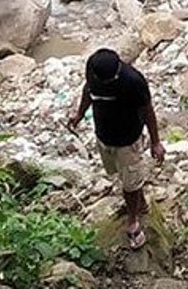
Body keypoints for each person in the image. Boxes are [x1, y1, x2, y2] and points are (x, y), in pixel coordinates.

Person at [68, 48, 165, 249]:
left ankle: (133, 221)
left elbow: (148, 111)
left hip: (128, 140)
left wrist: (156, 142)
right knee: (119, 174)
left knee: (129, 184)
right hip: (104, 136)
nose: (106, 83)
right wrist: (79, 114)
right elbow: (88, 92)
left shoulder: (134, 81)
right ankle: (140, 203)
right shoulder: (93, 72)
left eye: (109, 80)